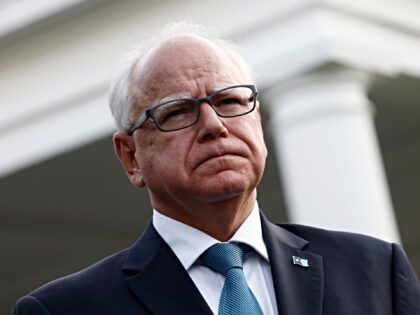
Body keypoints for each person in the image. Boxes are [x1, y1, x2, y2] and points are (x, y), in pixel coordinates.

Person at [14, 22, 420, 315]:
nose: (214, 126)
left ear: (257, 120)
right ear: (131, 157)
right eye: (176, 112)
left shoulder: (372, 269)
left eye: (228, 102)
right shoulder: (65, 308)